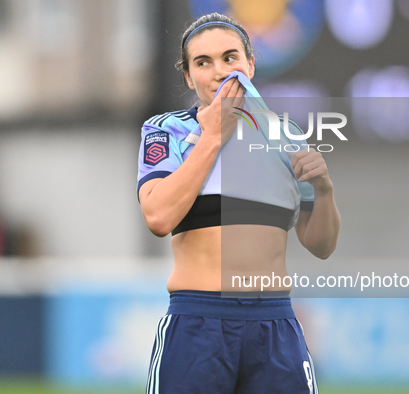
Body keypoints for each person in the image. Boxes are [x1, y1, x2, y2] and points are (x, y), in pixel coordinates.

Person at [137, 12, 340, 394]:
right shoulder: (168, 131)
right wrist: (212, 136)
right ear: (188, 76)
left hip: (274, 323)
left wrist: (325, 191)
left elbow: (322, 245)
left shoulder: (286, 136)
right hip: (197, 323)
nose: (219, 71)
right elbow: (159, 216)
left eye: (230, 58)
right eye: (203, 62)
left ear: (249, 64)